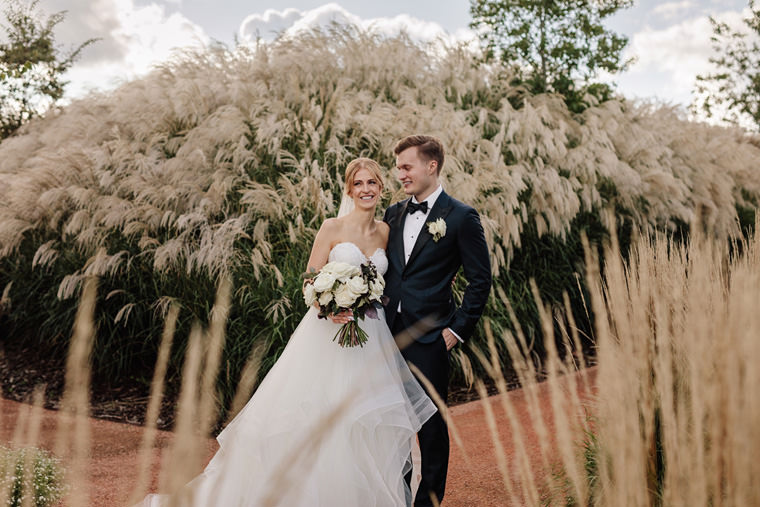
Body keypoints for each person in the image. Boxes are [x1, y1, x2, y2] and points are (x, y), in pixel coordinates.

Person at [141, 157, 436, 506]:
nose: (365, 190)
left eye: (371, 183)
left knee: (361, 422)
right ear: (349, 189)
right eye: (358, 184)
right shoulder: (331, 227)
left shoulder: (385, 231)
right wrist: (331, 307)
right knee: (319, 418)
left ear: (380, 187)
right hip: (329, 336)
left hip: (371, 336)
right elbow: (310, 280)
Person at [383, 135, 492, 506]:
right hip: (385, 336)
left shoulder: (461, 217)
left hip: (431, 338)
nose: (400, 174)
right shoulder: (393, 214)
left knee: (430, 427)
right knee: (392, 424)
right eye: (398, 168)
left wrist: (456, 331)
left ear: (432, 166)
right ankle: (397, 496)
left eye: (406, 166)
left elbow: (481, 280)